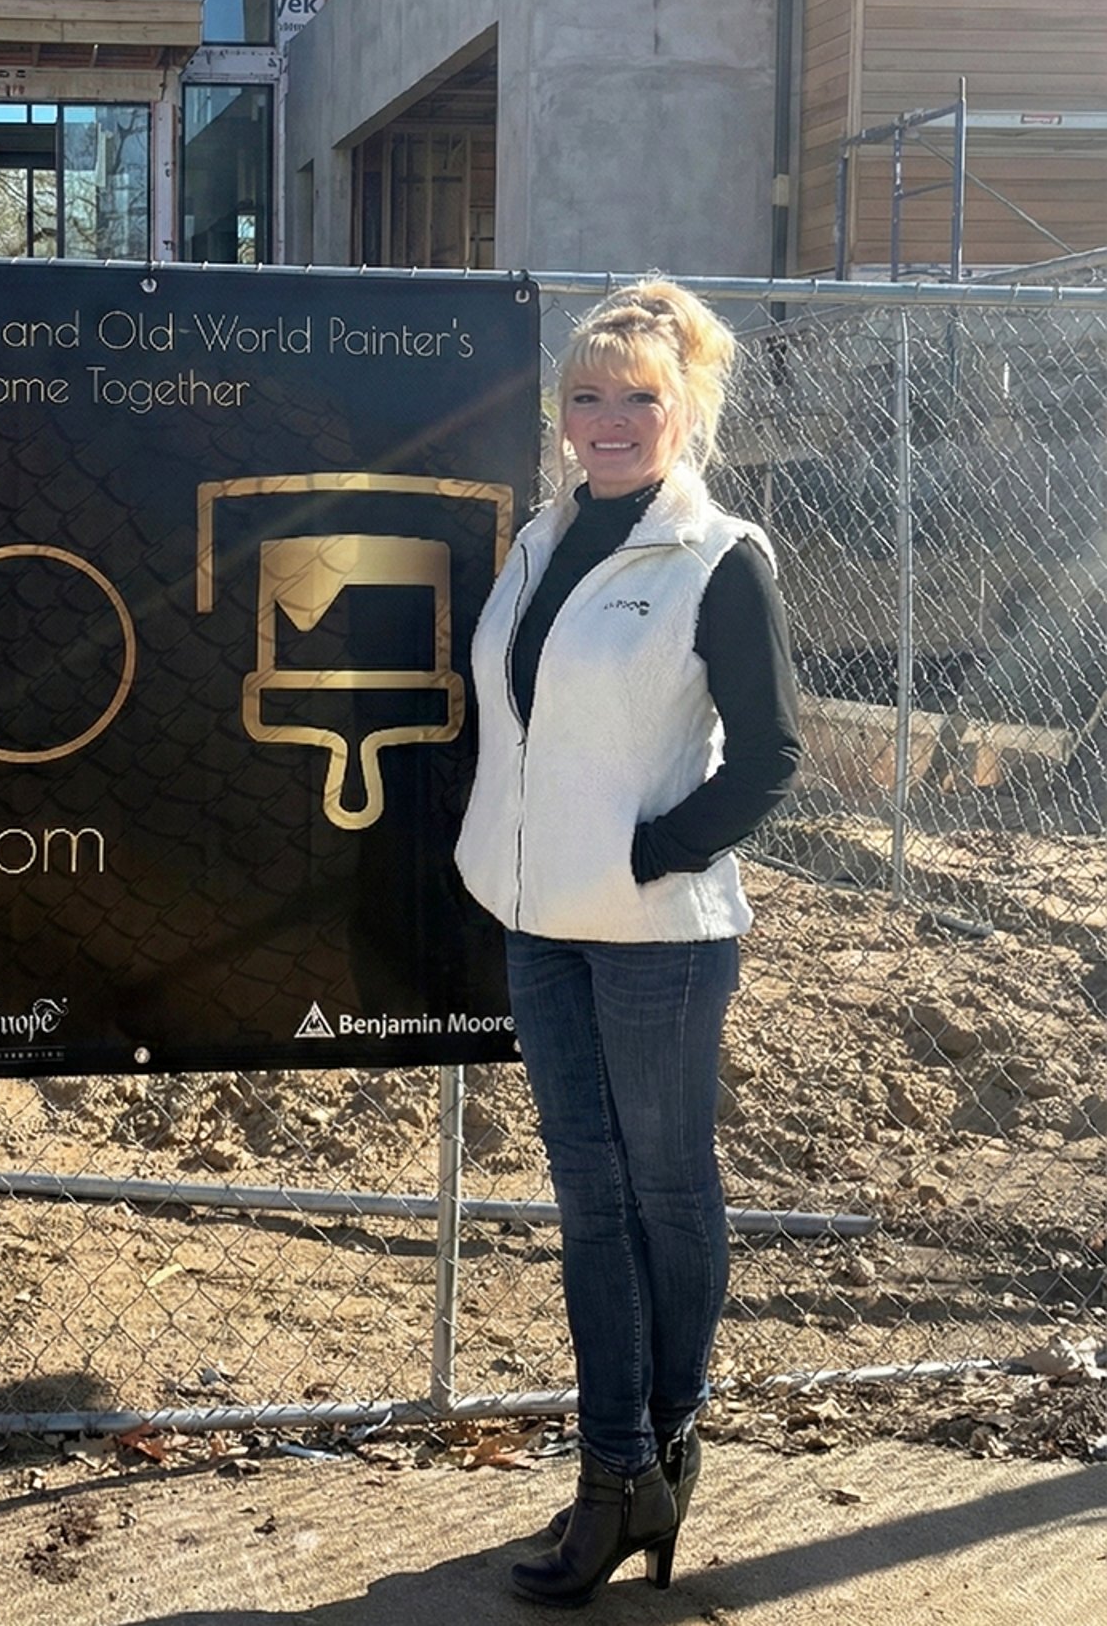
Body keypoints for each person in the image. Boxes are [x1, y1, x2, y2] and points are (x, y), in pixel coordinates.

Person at [455, 279, 801, 1608]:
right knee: (590, 1206)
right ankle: (624, 1470)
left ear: (688, 409)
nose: (607, 418)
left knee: (667, 1194)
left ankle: (653, 1449)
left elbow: (772, 756)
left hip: (656, 939)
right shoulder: (545, 541)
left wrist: (653, 850)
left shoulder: (719, 557)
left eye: (638, 397)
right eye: (586, 395)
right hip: (543, 928)